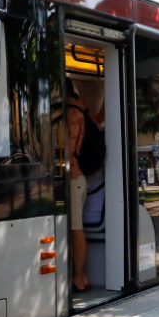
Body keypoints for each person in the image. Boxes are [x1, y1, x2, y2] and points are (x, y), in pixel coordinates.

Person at [66, 79, 91, 292]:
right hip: (78, 178)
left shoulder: (70, 114)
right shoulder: (79, 110)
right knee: (76, 229)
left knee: (76, 229)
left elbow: (69, 147)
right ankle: (82, 277)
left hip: (73, 178)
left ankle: (79, 278)